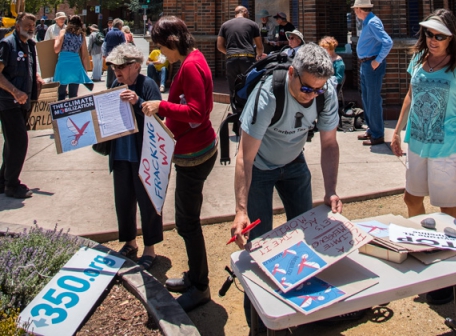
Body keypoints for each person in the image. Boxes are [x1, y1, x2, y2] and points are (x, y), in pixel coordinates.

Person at [231, 42, 341, 322]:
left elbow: (329, 144)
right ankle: (258, 321)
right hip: (260, 168)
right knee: (259, 246)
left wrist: (330, 191)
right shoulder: (268, 94)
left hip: (294, 163)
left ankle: (305, 310)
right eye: (307, 89)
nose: (312, 96)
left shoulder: (324, 93)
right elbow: (244, 157)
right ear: (292, 73)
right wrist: (241, 210)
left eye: (317, 90)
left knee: (307, 234)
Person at [391, 9, 456, 305]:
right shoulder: (419, 59)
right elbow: (410, 95)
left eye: (439, 35)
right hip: (418, 141)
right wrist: (397, 129)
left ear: (451, 37)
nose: (432, 40)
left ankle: (453, 268)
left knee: (447, 208)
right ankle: (426, 249)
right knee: (412, 198)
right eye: (429, 33)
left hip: (449, 145)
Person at [141, 16, 217, 312]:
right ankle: (194, 277)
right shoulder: (192, 60)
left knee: (187, 222)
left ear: (173, 42)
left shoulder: (191, 66)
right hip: (191, 149)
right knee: (187, 220)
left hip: (194, 156)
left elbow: (198, 112)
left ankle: (200, 286)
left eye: (162, 47)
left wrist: (163, 106)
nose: (161, 54)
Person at [106, 43, 163, 270]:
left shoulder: (147, 84)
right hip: (120, 153)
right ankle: (130, 242)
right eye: (113, 67)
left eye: (121, 66)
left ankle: (150, 248)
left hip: (143, 155)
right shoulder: (114, 84)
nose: (116, 71)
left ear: (136, 66)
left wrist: (137, 102)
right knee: (123, 200)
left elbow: (159, 119)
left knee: (148, 202)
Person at [0, 13, 42, 198]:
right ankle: (12, 185)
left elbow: (30, 69)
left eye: (33, 25)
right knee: (19, 142)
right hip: (8, 102)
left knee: (11, 143)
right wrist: (15, 91)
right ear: (17, 26)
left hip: (24, 103)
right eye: (27, 24)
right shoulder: (8, 44)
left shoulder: (30, 45)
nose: (31, 28)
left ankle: (3, 181)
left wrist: (38, 78)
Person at [353, 0, 392, 146]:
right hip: (366, 64)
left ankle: (377, 134)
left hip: (372, 64)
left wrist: (377, 60)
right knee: (367, 98)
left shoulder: (373, 22)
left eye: (356, 9)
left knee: (373, 100)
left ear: (359, 9)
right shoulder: (368, 21)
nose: (355, 12)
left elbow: (387, 42)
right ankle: (372, 130)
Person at [217, 6, 264, 100]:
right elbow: (259, 45)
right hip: (248, 59)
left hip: (231, 60)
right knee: (249, 86)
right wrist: (259, 55)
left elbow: (219, 46)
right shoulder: (253, 24)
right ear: (244, 12)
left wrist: (230, 53)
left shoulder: (225, 25)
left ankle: (235, 111)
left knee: (233, 88)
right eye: (248, 13)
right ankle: (248, 112)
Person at [53, 15, 93, 101]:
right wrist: (85, 71)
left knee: (61, 94)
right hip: (76, 65)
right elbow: (84, 56)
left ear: (69, 22)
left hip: (63, 64)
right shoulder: (81, 35)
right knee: (73, 95)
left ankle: (61, 112)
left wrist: (56, 40)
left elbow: (56, 50)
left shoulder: (63, 32)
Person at [102, 19, 126, 88]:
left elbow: (104, 44)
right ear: (119, 26)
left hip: (109, 55)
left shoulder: (109, 33)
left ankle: (109, 86)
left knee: (110, 71)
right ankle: (116, 86)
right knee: (117, 71)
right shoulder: (120, 33)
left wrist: (104, 54)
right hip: (118, 55)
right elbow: (123, 45)